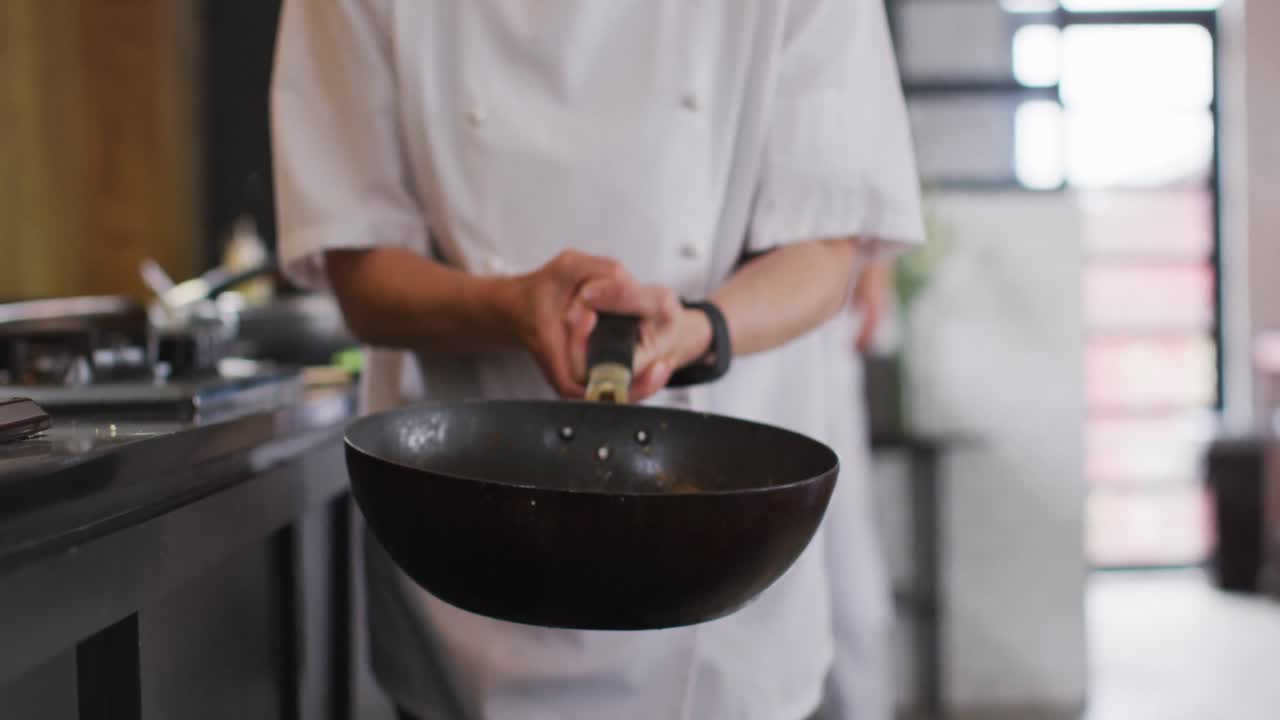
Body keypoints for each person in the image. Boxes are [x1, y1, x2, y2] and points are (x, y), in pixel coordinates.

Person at [271, 1, 923, 718]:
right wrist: (509, 308)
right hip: (462, 539)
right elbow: (362, 271)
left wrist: (699, 328)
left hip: (721, 544)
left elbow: (827, 251)